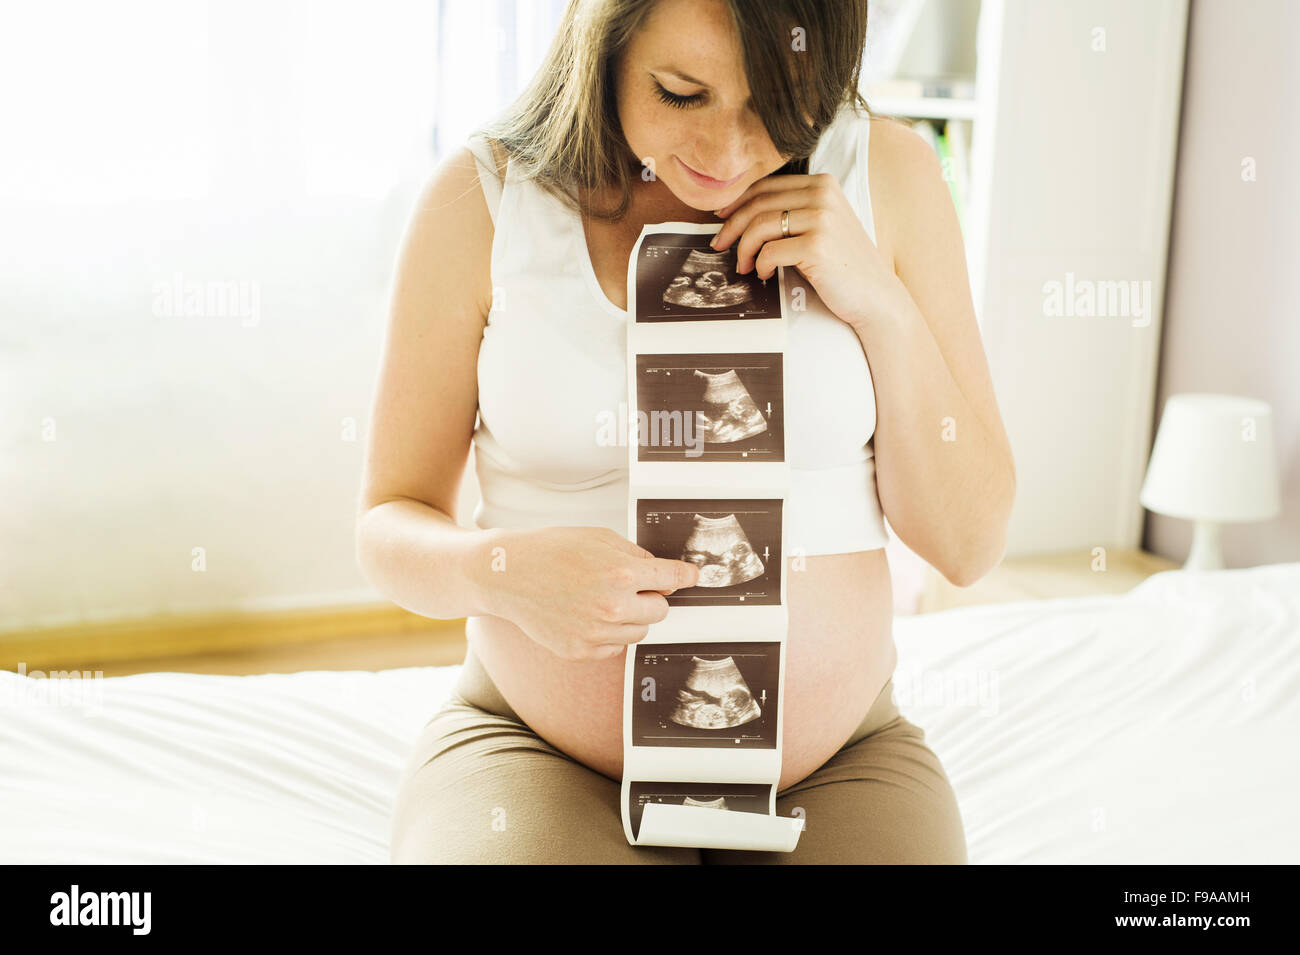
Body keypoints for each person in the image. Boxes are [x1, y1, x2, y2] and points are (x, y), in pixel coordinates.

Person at [358, 0, 1015, 864]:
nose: (729, 153)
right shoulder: (482, 202)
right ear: (606, 46)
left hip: (833, 766)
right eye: (681, 94)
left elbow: (968, 545)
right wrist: (504, 575)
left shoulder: (889, 175)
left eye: (781, 105)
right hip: (546, 753)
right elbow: (385, 527)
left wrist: (879, 302)